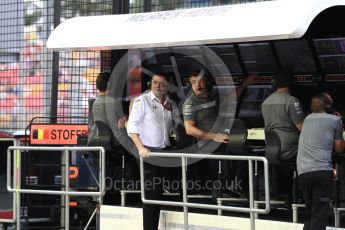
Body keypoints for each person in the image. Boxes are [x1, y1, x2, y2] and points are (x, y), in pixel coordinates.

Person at [127, 73, 181, 230]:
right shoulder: (142, 100)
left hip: (164, 151)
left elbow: (177, 124)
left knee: (160, 193)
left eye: (162, 83)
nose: (158, 85)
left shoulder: (171, 104)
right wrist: (140, 148)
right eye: (155, 82)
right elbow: (132, 126)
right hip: (147, 152)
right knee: (152, 194)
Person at [297, 93, 345, 230]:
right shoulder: (335, 120)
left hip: (303, 172)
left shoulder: (306, 120)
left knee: (310, 213)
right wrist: (340, 125)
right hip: (321, 172)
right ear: (327, 105)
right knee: (319, 214)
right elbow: (339, 148)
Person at [261, 68, 305, 161]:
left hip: (271, 149)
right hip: (291, 150)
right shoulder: (292, 101)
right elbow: (303, 128)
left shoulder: (265, 102)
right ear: (292, 82)